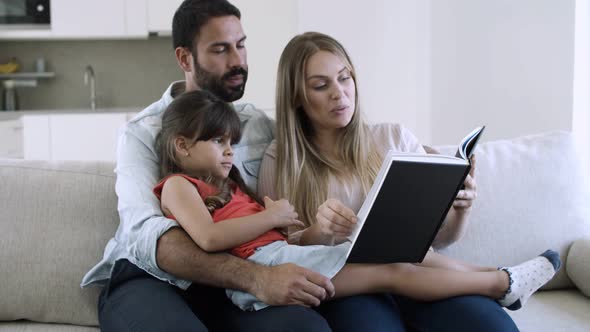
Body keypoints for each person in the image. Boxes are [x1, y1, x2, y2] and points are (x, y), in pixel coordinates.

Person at [80, 1, 446, 331]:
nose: (237, 60)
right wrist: (256, 279)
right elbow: (158, 243)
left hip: (234, 285)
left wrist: (423, 161)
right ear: (185, 58)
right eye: (220, 49)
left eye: (240, 45)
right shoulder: (144, 133)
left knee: (306, 327)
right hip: (154, 279)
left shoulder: (257, 125)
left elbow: (316, 141)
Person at [153, 88, 559, 314]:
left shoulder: (231, 187)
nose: (229, 152)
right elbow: (207, 238)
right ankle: (500, 284)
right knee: (392, 270)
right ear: (182, 145)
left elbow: (284, 241)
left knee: (403, 252)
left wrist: (294, 226)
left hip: (285, 256)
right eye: (217, 141)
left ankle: (495, 272)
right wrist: (271, 215)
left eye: (231, 142)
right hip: (266, 272)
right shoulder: (178, 186)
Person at [259, 31, 552, 331]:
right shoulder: (279, 160)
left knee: (494, 327)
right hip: (354, 292)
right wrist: (320, 231)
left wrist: (461, 208)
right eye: (321, 85)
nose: (339, 93)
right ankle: (498, 278)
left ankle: (501, 282)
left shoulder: (394, 138)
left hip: (425, 276)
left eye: (344, 78)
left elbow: (441, 239)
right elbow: (279, 254)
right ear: (296, 96)